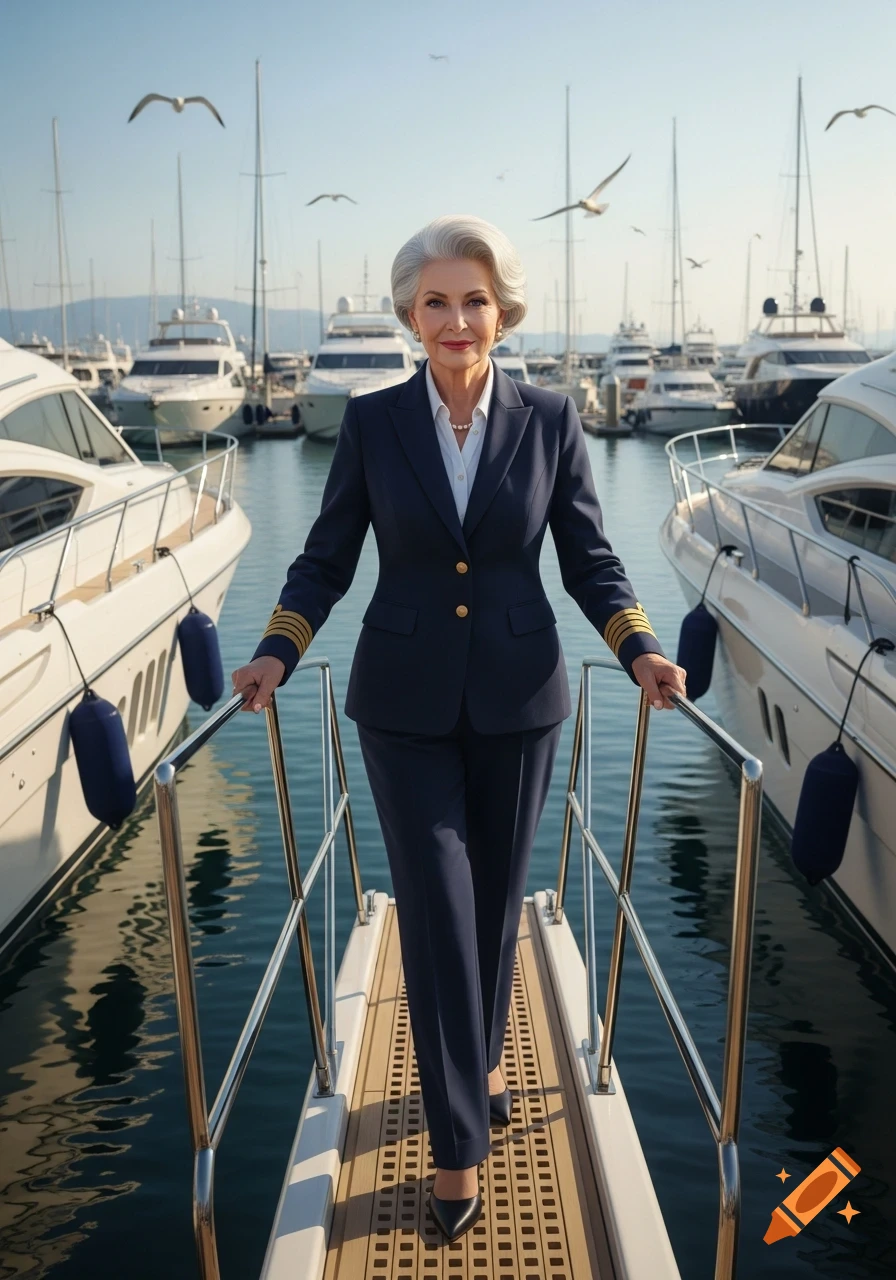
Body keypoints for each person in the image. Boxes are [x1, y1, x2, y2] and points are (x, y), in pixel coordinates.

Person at [231, 215, 686, 1242]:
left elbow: (589, 559)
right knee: (436, 909)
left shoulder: (551, 417)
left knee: (487, 916)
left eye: (471, 299)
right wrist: (277, 647)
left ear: (501, 308)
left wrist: (638, 646)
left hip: (521, 703)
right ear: (408, 313)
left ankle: (475, 1058)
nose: (453, 318)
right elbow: (327, 554)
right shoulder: (371, 420)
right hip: (400, 706)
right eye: (433, 300)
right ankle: (455, 1149)